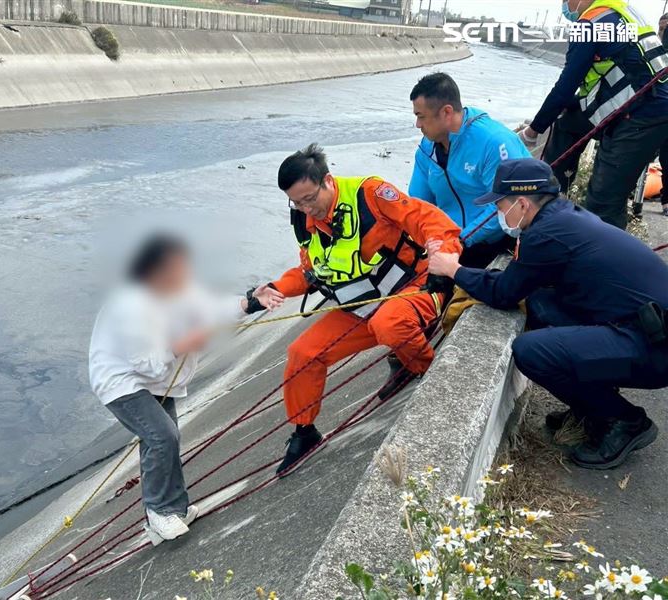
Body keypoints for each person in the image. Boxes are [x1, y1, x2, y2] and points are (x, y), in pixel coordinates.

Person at [427, 158, 668, 470]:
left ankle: (624, 420)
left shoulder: (544, 236)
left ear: (523, 204)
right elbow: (524, 284)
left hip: (653, 346)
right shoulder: (565, 217)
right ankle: (592, 404)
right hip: (644, 327)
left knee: (531, 351)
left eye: (501, 206)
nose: (499, 214)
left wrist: (453, 269)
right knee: (541, 302)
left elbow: (503, 293)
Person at [249, 144, 462, 476]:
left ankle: (424, 371)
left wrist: (442, 256)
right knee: (302, 352)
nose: (307, 208)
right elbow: (309, 273)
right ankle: (305, 431)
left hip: (416, 287)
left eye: (309, 198)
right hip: (363, 305)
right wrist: (273, 290)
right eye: (297, 203)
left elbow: (430, 221)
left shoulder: (371, 193)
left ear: (328, 181)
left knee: (390, 323)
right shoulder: (305, 223)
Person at [88, 234, 283, 545]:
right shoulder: (129, 304)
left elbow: (209, 307)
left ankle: (174, 510)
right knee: (162, 436)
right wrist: (183, 345)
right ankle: (158, 513)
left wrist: (251, 302)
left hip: (157, 379)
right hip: (121, 381)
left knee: (167, 438)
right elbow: (145, 362)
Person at [519, 0, 668, 230]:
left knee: (603, 202)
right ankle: (555, 195)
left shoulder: (589, 24)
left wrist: (532, 131)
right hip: (648, 100)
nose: (565, 4)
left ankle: (606, 260)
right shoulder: (620, 12)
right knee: (568, 119)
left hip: (641, 115)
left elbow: (565, 86)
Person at [409, 72, 530, 269]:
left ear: (447, 113)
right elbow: (418, 203)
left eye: (421, 117)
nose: (418, 125)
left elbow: (508, 205)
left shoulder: (494, 142)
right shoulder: (426, 148)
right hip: (451, 241)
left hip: (495, 241)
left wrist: (460, 241)